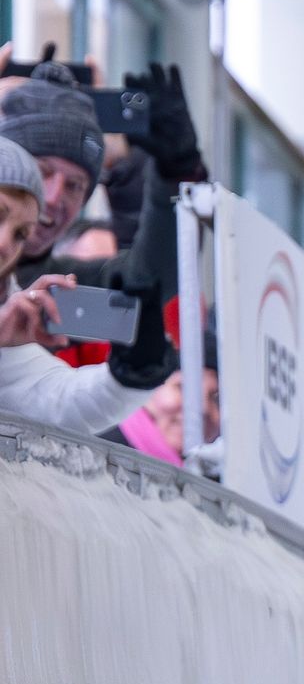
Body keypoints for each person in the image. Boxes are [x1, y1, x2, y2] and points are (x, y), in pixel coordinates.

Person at [0, 136, 177, 432]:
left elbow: (57, 400)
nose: (4, 243)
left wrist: (130, 374)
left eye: (21, 233)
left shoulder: (10, 309)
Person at [0, 59, 206, 294]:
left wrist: (175, 173)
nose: (54, 197)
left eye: (74, 186)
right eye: (42, 171)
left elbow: (151, 278)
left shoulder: (68, 292)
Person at [103, 332, 218, 467]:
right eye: (183, 388)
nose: (203, 408)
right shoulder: (101, 456)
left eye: (216, 398)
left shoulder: (218, 477)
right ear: (151, 386)